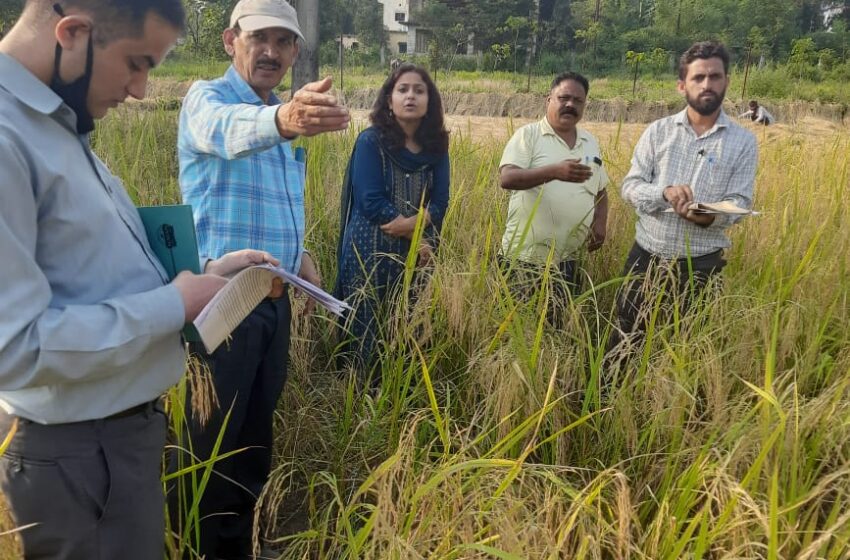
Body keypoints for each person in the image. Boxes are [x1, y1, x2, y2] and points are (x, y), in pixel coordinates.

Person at [0, 1, 280, 558]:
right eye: (136, 62)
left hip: (112, 447)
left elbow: (85, 275)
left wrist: (201, 278)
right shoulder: (9, 137)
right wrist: (174, 306)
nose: (141, 90)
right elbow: (13, 346)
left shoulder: (56, 125)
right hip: (79, 456)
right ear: (73, 32)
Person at [171, 0, 350, 557]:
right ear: (231, 41)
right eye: (259, 38)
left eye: (283, 41)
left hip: (272, 303)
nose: (271, 51)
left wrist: (299, 256)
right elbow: (226, 131)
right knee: (207, 439)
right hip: (218, 299)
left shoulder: (281, 116)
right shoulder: (210, 100)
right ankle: (196, 547)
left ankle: (239, 544)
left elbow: (273, 202)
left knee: (254, 434)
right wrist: (282, 120)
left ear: (296, 51)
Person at [613, 41, 758, 349]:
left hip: (701, 267)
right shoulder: (657, 131)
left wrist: (705, 216)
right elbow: (630, 186)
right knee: (623, 347)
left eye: (715, 77)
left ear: (726, 82)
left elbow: (740, 204)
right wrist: (664, 193)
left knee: (691, 352)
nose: (707, 84)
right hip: (646, 259)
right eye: (698, 78)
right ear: (682, 85)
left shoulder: (744, 142)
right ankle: (608, 398)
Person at [334, 63, 450, 383]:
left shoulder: (438, 146)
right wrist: (414, 231)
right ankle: (359, 392)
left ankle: (402, 391)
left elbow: (441, 200)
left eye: (419, 90)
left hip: (420, 252)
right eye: (402, 89)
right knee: (367, 317)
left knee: (411, 320)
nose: (410, 96)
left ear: (430, 101)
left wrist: (415, 229)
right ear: (389, 100)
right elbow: (370, 200)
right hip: (371, 247)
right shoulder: (371, 141)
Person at [498, 72, 609, 316]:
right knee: (519, 331)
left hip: (570, 259)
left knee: (558, 327)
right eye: (564, 98)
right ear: (549, 99)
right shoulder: (528, 136)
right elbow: (507, 178)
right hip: (525, 260)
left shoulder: (590, 142)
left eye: (578, 101)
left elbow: (601, 190)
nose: (570, 105)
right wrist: (554, 171)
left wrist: (600, 222)